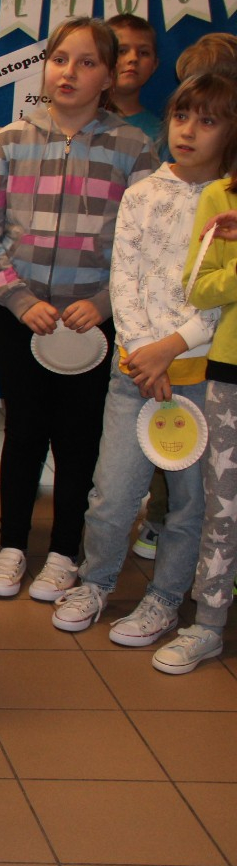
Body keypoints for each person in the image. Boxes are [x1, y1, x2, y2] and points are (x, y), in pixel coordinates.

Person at [0, 18, 159, 601]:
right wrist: (19, 299)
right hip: (22, 319)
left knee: (79, 439)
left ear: (108, 76)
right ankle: (11, 545)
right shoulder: (10, 141)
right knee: (23, 432)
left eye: (86, 62)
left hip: (92, 325)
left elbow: (145, 246)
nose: (69, 72)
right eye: (59, 59)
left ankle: (62, 552)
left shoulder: (134, 148)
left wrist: (102, 304)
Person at [48, 75, 233, 648]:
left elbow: (220, 295)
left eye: (208, 121)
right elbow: (123, 279)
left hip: (197, 375)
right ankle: (96, 580)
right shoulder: (143, 193)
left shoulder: (228, 203)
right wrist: (138, 351)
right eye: (182, 116)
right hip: (134, 370)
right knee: (112, 492)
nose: (188, 131)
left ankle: (165, 599)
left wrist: (171, 348)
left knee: (187, 504)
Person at [176, 107, 237, 674]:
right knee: (223, 503)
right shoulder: (222, 194)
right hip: (230, 370)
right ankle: (210, 622)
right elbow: (200, 286)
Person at [105, 13, 162, 143]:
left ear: (154, 65)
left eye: (143, 53)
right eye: (121, 51)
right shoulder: (78, 120)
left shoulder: (160, 134)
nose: (133, 58)